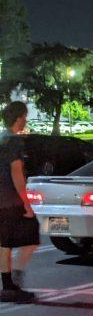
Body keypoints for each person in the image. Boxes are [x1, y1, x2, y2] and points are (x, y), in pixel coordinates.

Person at [0, 102, 39, 302]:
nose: (26, 120)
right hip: (11, 200)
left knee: (4, 243)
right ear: (18, 118)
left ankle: (8, 285)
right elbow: (17, 174)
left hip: (2, 200)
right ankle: (14, 280)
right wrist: (26, 203)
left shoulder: (1, 139)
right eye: (25, 116)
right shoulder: (14, 141)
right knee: (32, 238)